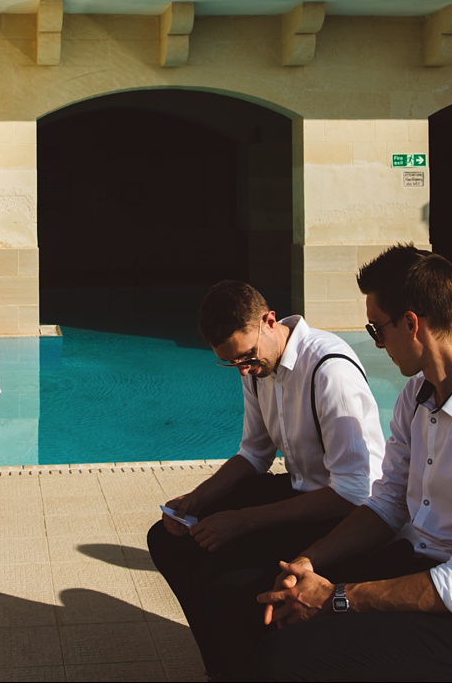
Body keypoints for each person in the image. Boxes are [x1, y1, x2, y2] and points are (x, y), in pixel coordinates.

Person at [254, 244, 452, 682]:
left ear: (413, 323)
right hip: (424, 568)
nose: (377, 344)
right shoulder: (417, 396)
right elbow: (387, 506)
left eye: (376, 329)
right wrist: (308, 562)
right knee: (268, 599)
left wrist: (334, 598)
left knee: (288, 654)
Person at [147, 281, 385, 680]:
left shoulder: (330, 372)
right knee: (167, 539)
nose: (243, 369)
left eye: (246, 358)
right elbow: (255, 454)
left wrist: (245, 519)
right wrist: (196, 500)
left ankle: (247, 670)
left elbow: (355, 492)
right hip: (301, 493)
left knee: (220, 581)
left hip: (345, 515)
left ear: (269, 321)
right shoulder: (256, 366)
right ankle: (224, 667)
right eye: (233, 363)